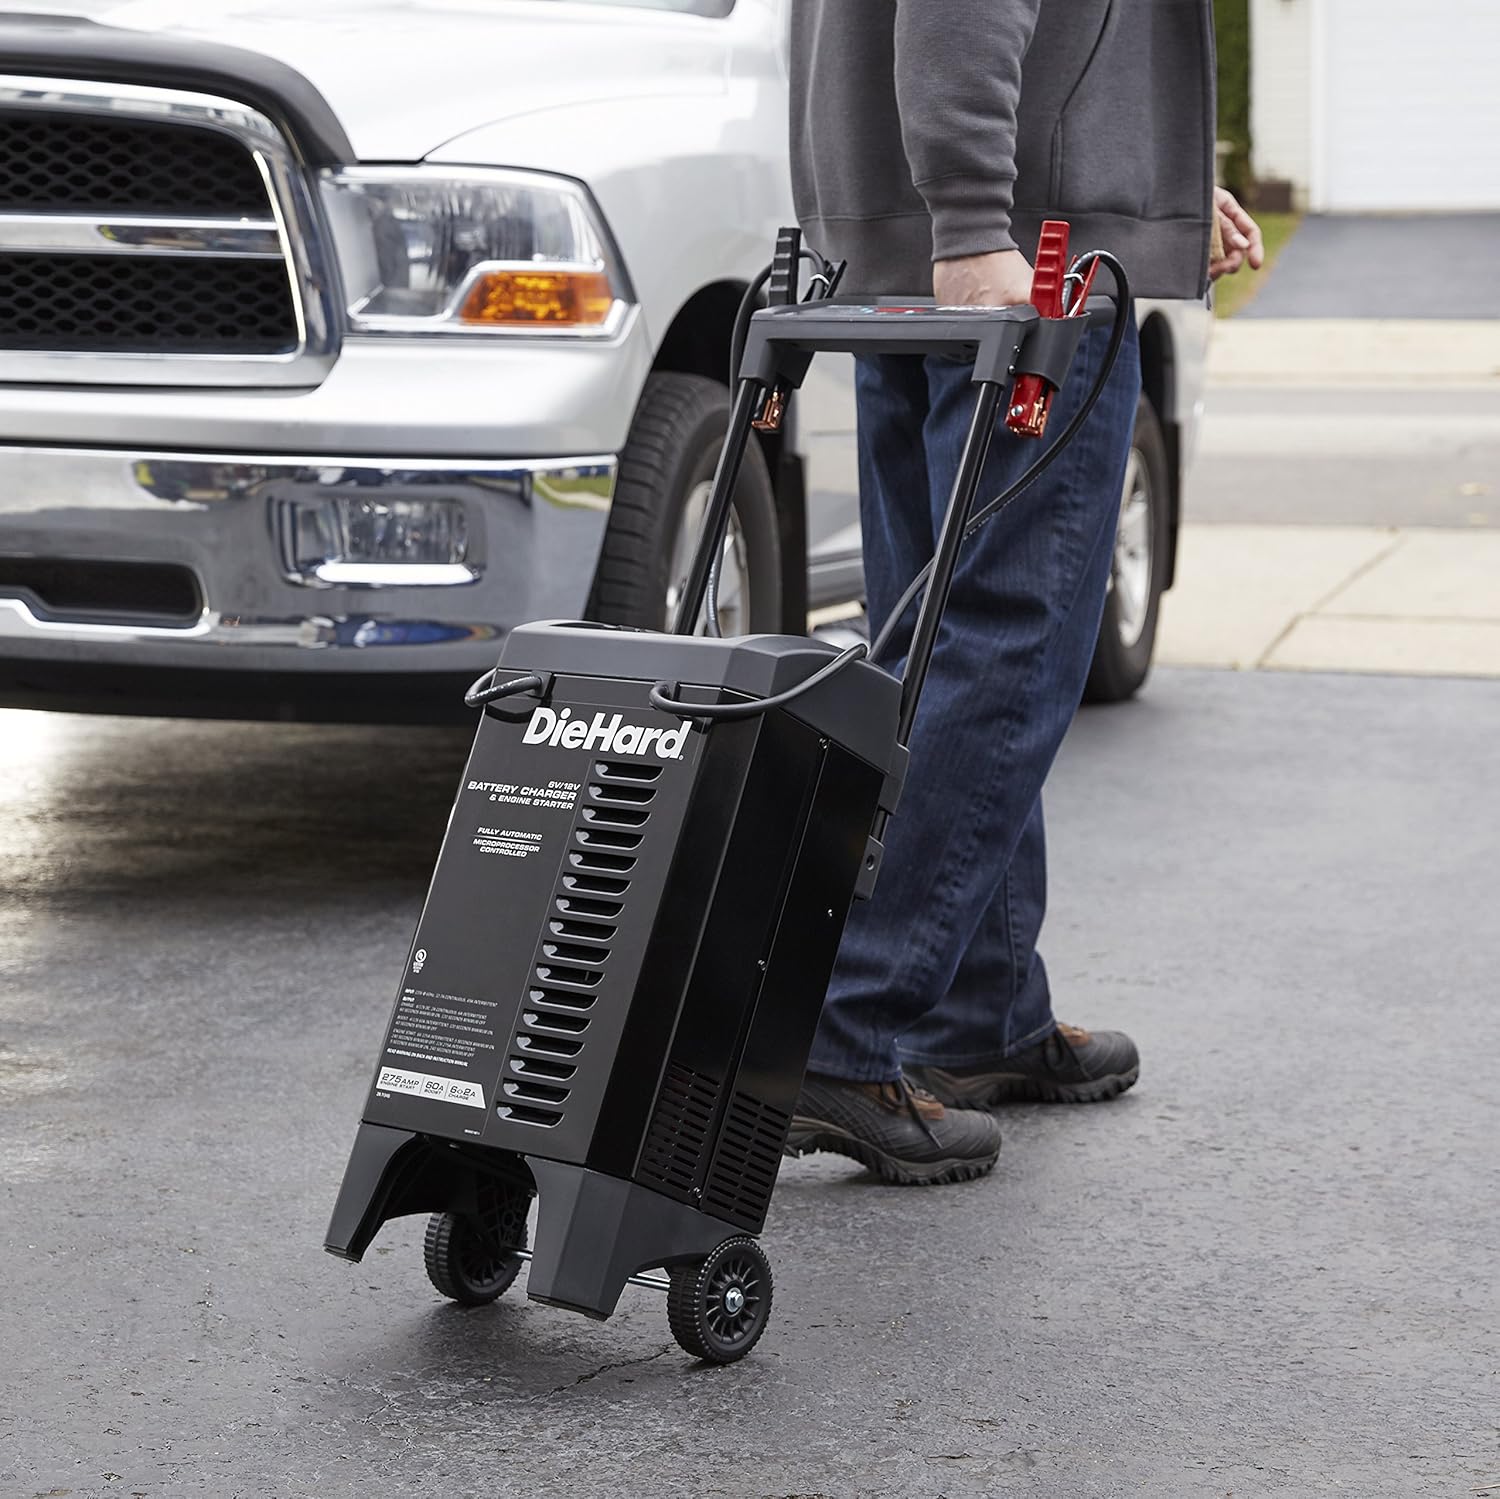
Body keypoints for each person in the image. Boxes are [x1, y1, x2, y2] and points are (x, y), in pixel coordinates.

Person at [782, 1, 1264, 1185]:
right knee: (1010, 638)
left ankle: (978, 1007)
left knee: (939, 642)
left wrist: (1149, 182)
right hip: (1019, 256)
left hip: (938, 238)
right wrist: (972, 218)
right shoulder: (991, 231)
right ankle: (844, 1028)